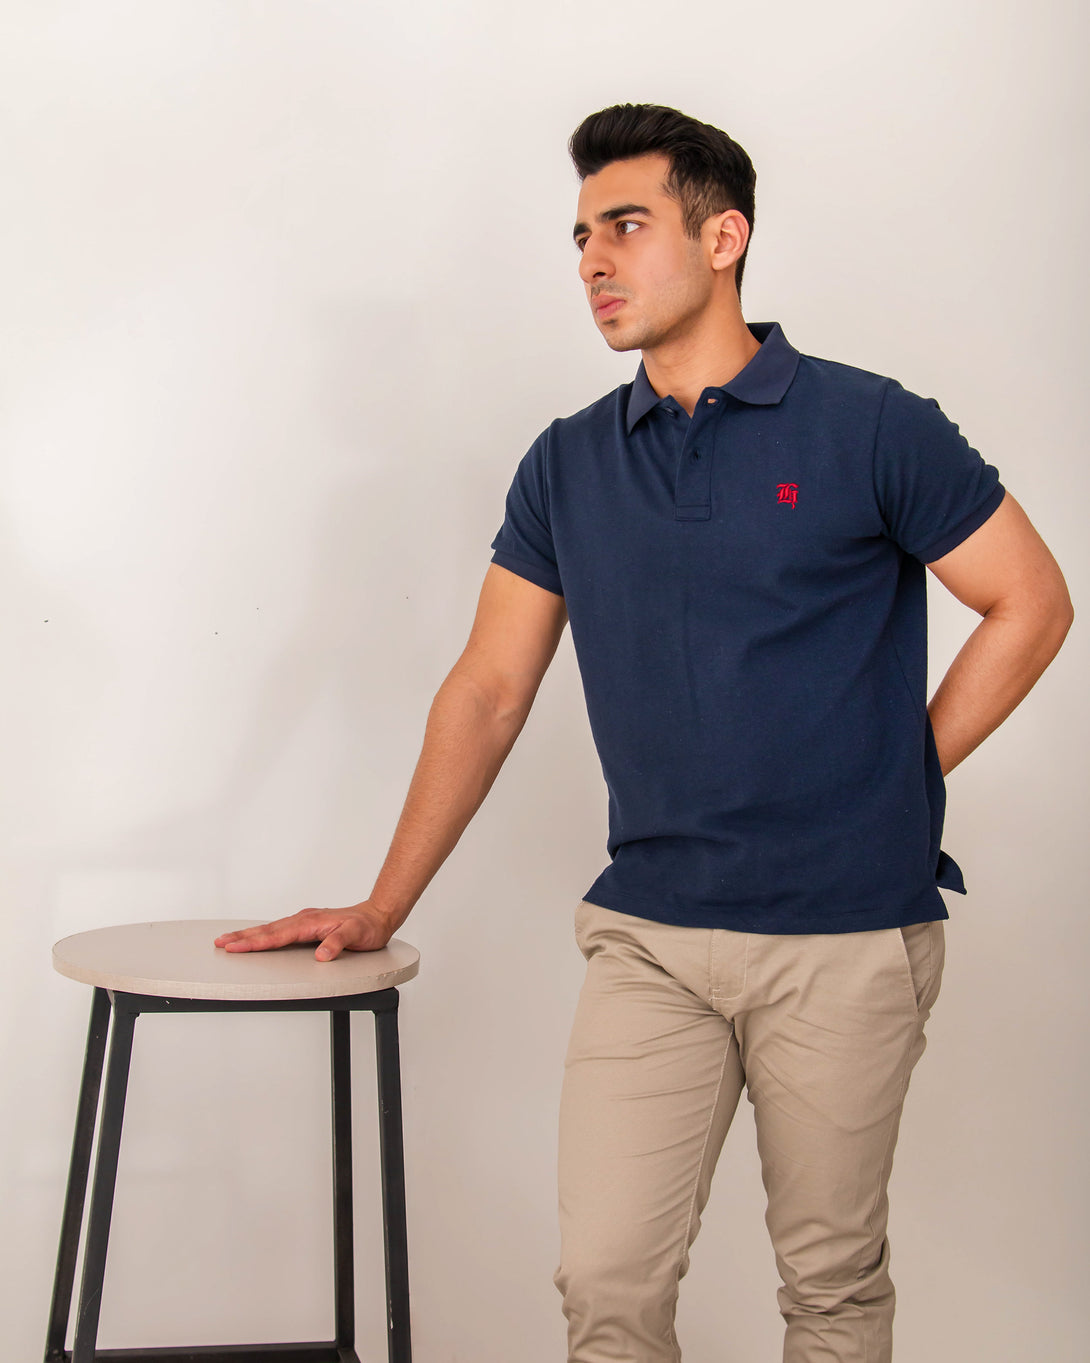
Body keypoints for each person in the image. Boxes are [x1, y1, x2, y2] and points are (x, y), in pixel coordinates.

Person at [214, 104, 1073, 1362]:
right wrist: (383, 902)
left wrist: (896, 771)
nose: (592, 262)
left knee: (829, 1283)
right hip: (650, 935)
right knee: (606, 1279)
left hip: (843, 933)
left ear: (723, 238)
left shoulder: (871, 424)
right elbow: (488, 689)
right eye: (579, 237)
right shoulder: (566, 464)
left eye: (624, 225)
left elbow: (1031, 600)